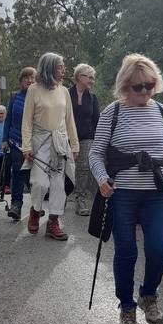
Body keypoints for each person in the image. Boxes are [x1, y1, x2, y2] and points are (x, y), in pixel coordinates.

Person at [90, 54, 163, 324]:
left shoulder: (161, 111)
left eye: (150, 85)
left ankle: (149, 295)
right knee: (126, 252)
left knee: (159, 251)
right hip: (122, 194)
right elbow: (96, 154)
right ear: (125, 86)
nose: (146, 92)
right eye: (138, 87)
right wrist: (101, 178)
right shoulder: (113, 113)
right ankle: (126, 306)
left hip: (157, 194)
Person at [21, 53, 79, 240]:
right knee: (40, 182)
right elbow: (27, 121)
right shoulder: (33, 90)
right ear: (50, 68)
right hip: (40, 142)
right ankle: (35, 211)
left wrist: (74, 145)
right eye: (61, 67)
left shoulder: (64, 91)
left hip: (60, 144)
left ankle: (53, 221)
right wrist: (26, 146)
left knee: (58, 184)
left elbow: (69, 120)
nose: (64, 70)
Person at [2, 67, 36, 220]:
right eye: (25, 77)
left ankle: (36, 205)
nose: (29, 80)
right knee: (17, 171)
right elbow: (8, 119)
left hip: (35, 143)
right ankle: (16, 205)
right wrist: (4, 139)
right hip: (16, 141)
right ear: (21, 81)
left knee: (33, 174)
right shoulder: (15, 96)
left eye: (32, 77)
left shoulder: (39, 97)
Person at [69, 63, 100, 215]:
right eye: (89, 77)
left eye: (93, 78)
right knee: (64, 168)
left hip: (87, 137)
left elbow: (97, 121)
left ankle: (80, 198)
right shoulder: (66, 95)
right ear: (79, 77)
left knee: (84, 167)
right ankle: (62, 195)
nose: (92, 81)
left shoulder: (93, 98)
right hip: (67, 137)